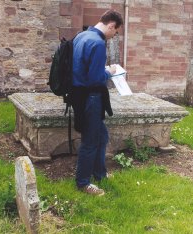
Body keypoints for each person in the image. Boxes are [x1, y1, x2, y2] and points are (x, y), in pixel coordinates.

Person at [70, 10, 123, 196]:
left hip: (78, 95)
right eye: (115, 32)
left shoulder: (81, 36)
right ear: (111, 26)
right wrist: (110, 71)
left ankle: (100, 173)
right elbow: (96, 79)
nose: (114, 35)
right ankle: (83, 182)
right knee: (90, 141)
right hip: (91, 97)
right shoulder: (98, 43)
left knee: (101, 136)